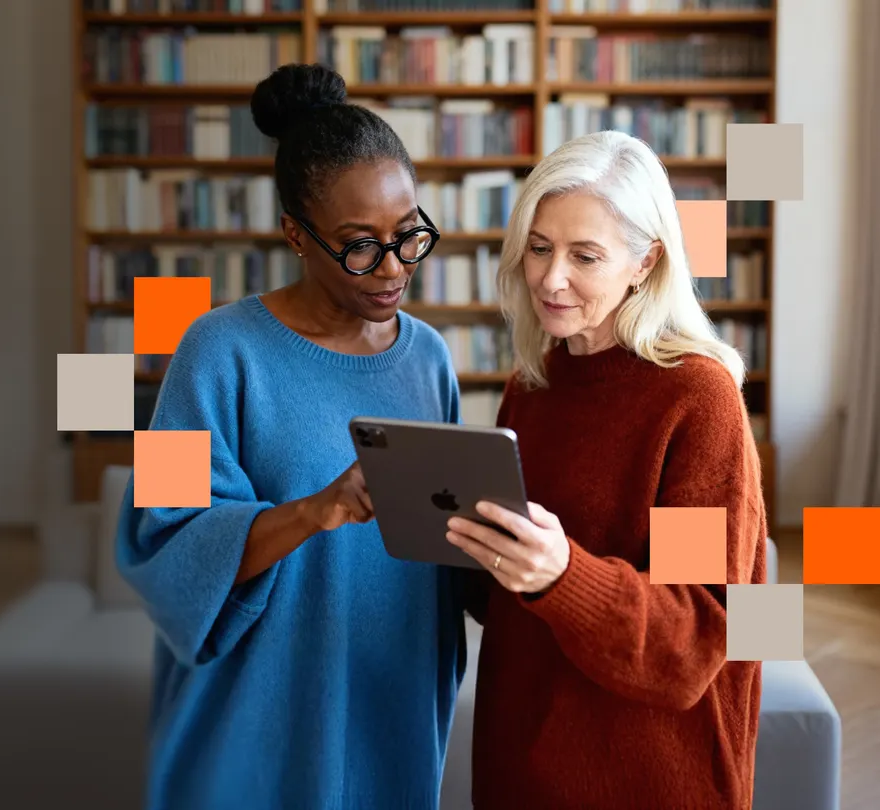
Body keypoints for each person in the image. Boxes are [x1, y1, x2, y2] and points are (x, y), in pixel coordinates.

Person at [113, 63, 465, 809]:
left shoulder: (429, 358)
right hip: (250, 728)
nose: (394, 267)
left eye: (408, 235)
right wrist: (314, 510)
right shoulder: (213, 349)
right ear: (295, 237)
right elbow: (159, 534)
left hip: (390, 713)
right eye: (359, 245)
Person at [445, 130, 768, 810]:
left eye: (584, 256)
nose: (549, 277)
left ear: (645, 263)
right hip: (519, 768)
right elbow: (510, 605)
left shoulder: (696, 400)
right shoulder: (533, 385)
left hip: (645, 780)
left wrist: (563, 574)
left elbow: (689, 639)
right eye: (538, 247)